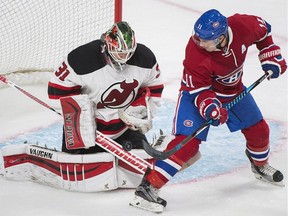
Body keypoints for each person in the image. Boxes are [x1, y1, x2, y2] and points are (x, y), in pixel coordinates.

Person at [130, 9, 287, 213]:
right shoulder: (196, 52)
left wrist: (270, 56)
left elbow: (264, 31)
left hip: (233, 90)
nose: (200, 43)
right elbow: (199, 90)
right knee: (187, 146)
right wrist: (211, 108)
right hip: (196, 94)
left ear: (221, 36)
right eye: (198, 38)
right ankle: (147, 189)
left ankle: (259, 166)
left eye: (206, 40)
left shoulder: (242, 25)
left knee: (260, 131)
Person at [48, 21, 164, 154]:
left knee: (142, 169)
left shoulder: (145, 58)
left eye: (128, 52)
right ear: (108, 45)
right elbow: (56, 90)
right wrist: (79, 117)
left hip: (125, 129)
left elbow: (155, 87)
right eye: (120, 52)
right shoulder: (82, 58)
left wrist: (144, 110)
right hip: (86, 132)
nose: (124, 57)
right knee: (82, 171)